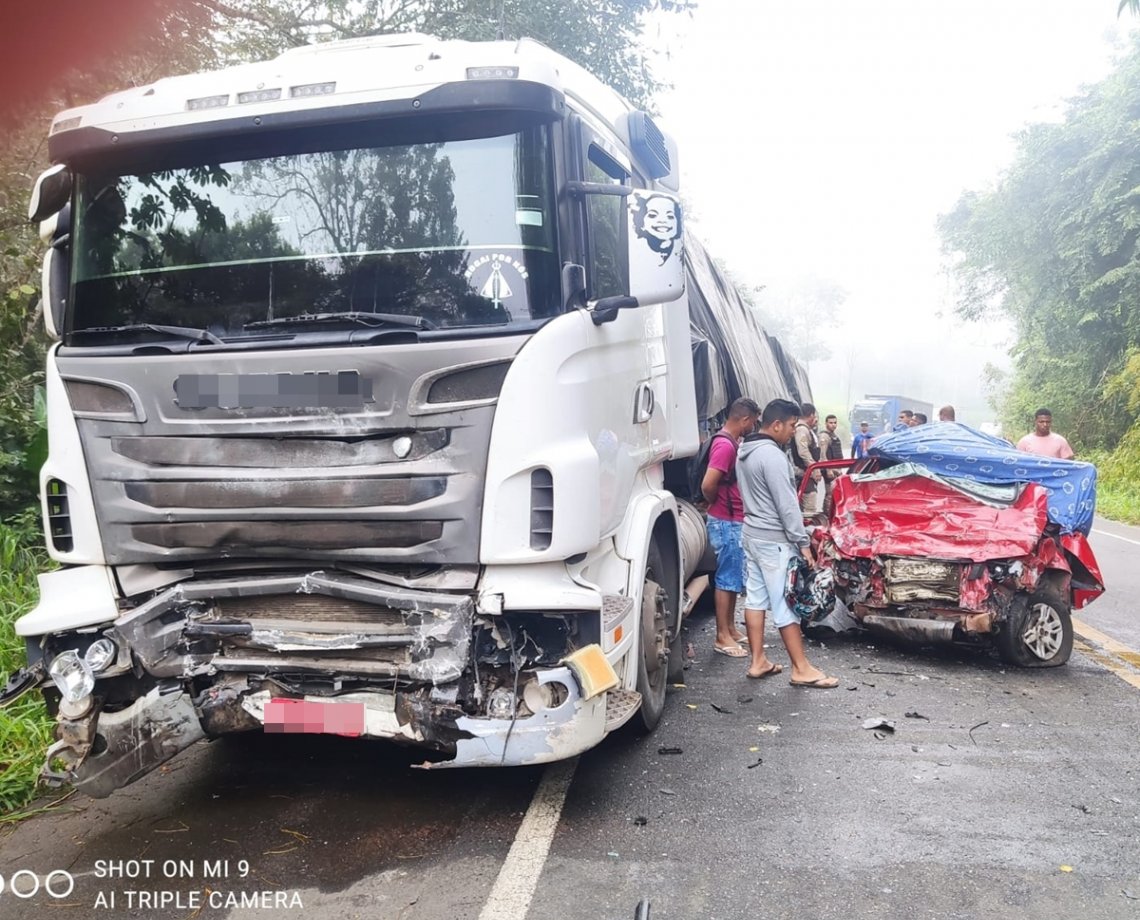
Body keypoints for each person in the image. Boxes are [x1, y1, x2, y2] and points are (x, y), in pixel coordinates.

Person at [736, 399, 838, 687]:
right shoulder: (772, 456)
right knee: (785, 603)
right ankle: (801, 668)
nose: (793, 432)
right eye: (792, 426)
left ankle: (758, 661)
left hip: (752, 534)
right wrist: (802, 542)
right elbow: (787, 505)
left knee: (755, 598)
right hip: (773, 540)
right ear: (777, 424)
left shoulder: (744, 451)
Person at [701, 397, 761, 657]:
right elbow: (708, 484)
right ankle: (721, 636)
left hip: (732, 519)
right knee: (726, 578)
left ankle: (731, 629)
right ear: (745, 419)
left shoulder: (730, 442)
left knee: (733, 575)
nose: (753, 428)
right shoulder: (725, 446)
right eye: (753, 422)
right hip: (726, 521)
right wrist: (719, 505)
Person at [632, 193, 682, 265]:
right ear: (641, 222)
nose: (662, 220)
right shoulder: (634, 253)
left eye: (670, 216)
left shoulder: (678, 256)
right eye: (653, 215)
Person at [791, 402, 821, 513]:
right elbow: (803, 451)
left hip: (807, 473)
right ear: (812, 415)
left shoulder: (807, 429)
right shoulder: (802, 430)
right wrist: (814, 468)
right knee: (810, 507)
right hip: (804, 473)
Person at [818, 414, 845, 513]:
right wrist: (828, 469)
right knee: (830, 493)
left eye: (835, 422)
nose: (833, 425)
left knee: (835, 492)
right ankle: (826, 513)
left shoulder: (833, 436)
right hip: (830, 469)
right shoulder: (824, 436)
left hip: (836, 469)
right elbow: (822, 455)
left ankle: (831, 512)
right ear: (826, 424)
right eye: (830, 423)